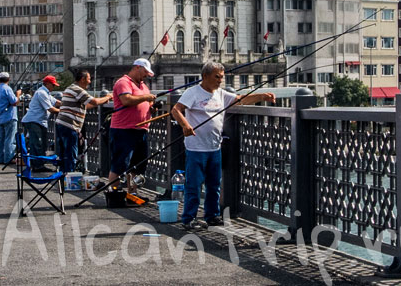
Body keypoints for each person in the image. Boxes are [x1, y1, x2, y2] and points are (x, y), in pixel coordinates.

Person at [171, 61, 275, 230]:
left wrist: (263, 97)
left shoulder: (221, 94)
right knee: (194, 185)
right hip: (196, 148)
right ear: (205, 76)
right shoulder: (193, 93)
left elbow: (240, 100)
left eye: (222, 77)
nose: (220, 81)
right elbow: (176, 109)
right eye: (217, 77)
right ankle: (189, 218)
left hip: (214, 147)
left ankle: (212, 215)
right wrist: (185, 125)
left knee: (214, 184)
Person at [107, 58, 157, 196]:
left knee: (137, 164)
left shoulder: (143, 86)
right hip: (124, 130)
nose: (146, 75)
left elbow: (144, 102)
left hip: (141, 130)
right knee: (120, 164)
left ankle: (132, 193)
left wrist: (151, 109)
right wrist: (146, 98)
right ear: (137, 68)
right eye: (145, 72)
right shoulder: (123, 82)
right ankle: (113, 194)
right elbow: (126, 99)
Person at [55, 69, 111, 174]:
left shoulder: (70, 88)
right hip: (69, 126)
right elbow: (94, 101)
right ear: (82, 79)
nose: (90, 82)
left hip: (62, 124)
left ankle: (63, 176)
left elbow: (87, 105)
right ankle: (70, 177)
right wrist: (107, 97)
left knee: (63, 154)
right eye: (89, 79)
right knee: (71, 153)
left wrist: (100, 101)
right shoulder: (77, 89)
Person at [20, 75, 61, 166]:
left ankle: (41, 163)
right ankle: (37, 165)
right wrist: (64, 111)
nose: (53, 87)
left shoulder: (47, 94)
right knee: (36, 144)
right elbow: (51, 109)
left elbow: (56, 102)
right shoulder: (41, 93)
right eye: (53, 85)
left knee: (43, 144)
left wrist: (67, 104)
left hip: (40, 122)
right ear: (47, 84)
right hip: (33, 121)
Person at [0, 71, 22, 164]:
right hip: (10, 116)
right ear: (8, 79)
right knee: (10, 138)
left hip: (0, 117)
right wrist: (18, 94)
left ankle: (0, 158)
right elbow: (14, 102)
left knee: (0, 139)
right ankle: (8, 158)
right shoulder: (7, 89)